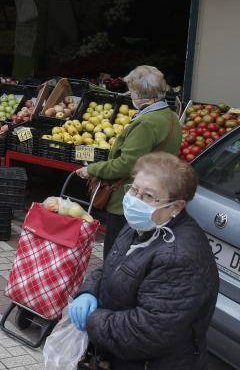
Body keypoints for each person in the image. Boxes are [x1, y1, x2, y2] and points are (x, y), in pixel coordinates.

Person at [68, 152, 218, 369]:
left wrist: (93, 320)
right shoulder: (143, 225)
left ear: (176, 207)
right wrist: (88, 292)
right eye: (133, 189)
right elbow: (113, 266)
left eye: (148, 196)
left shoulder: (179, 256)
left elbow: (148, 332)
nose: (135, 200)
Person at [75, 65, 181, 256]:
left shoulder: (147, 123)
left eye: (132, 91)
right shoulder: (171, 117)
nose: (129, 95)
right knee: (137, 254)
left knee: (116, 254)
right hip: (154, 197)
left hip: (131, 198)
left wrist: (92, 169)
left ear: (143, 94)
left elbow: (126, 164)